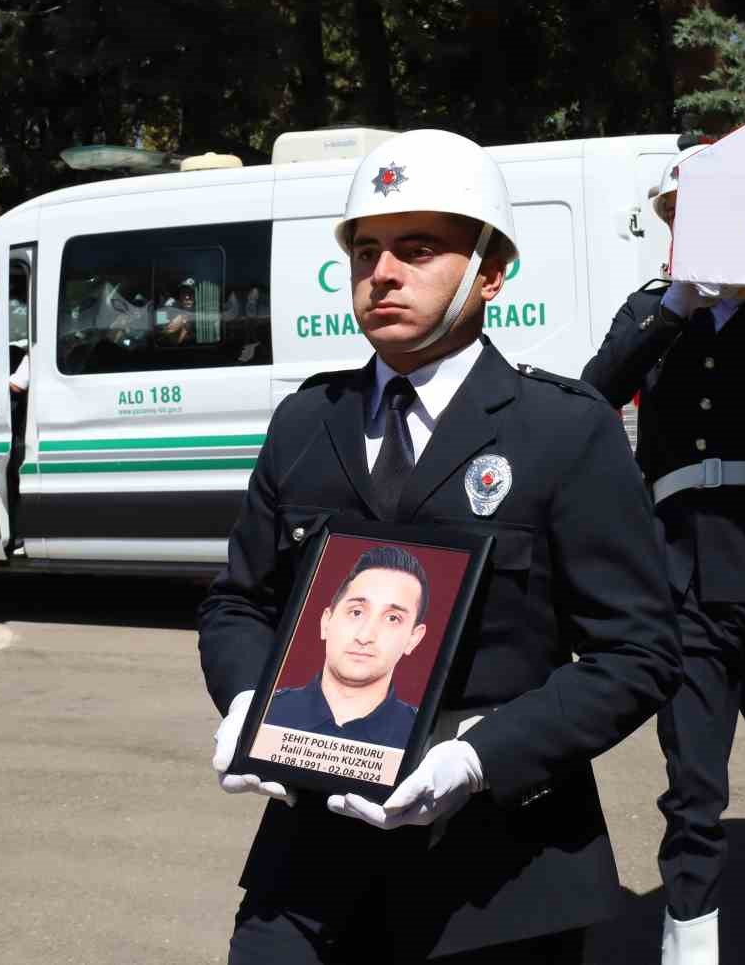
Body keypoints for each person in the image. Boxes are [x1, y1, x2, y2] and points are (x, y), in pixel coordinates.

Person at [198, 129, 680, 965]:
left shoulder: (562, 431)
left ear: (491, 272)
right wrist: (248, 702)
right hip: (312, 864)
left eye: (417, 250)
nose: (381, 273)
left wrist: (474, 760)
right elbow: (240, 601)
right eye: (367, 251)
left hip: (500, 873)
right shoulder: (308, 423)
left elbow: (635, 653)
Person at [581, 149, 745, 965]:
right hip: (682, 576)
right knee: (691, 791)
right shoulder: (655, 311)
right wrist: (675, 309)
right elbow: (593, 396)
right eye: (678, 214)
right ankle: (690, 948)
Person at [263, 546, 430, 748]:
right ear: (326, 622)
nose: (365, 636)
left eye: (392, 618)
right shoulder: (267, 713)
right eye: (356, 612)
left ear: (414, 638)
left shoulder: (425, 738)